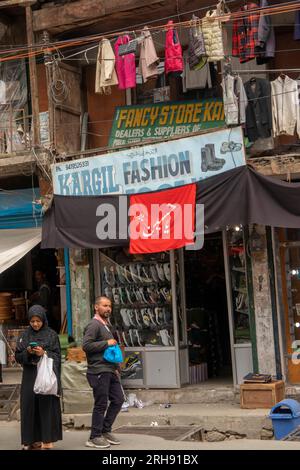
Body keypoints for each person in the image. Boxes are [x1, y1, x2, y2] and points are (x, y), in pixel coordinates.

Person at [15, 304, 62, 450]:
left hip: (45, 374)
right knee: (29, 407)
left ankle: (47, 440)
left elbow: (58, 356)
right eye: (32, 321)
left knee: (46, 406)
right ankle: (31, 440)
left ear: (43, 319)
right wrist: (28, 352)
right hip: (29, 375)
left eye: (38, 321)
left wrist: (44, 353)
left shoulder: (52, 335)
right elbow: (18, 356)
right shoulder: (24, 336)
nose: (35, 324)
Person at [82, 296, 124, 449]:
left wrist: (116, 368)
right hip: (98, 370)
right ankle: (94, 436)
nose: (108, 309)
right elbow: (86, 345)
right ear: (96, 307)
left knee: (118, 400)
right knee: (101, 404)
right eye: (105, 306)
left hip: (109, 370)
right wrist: (107, 343)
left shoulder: (105, 324)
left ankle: (105, 430)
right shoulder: (94, 325)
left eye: (109, 306)